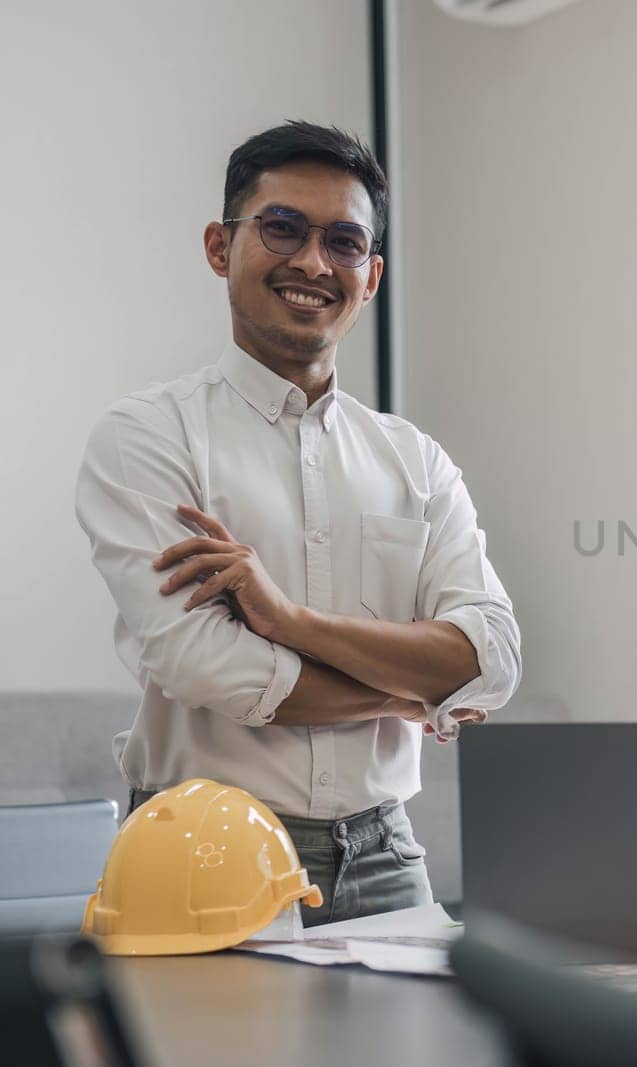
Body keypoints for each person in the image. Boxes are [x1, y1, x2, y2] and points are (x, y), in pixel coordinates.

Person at [75, 121, 522, 925]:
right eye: (282, 227)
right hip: (198, 855)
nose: (314, 262)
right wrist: (416, 695)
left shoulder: (414, 460)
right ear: (221, 246)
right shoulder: (147, 437)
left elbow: (492, 657)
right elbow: (208, 667)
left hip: (387, 855)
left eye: (344, 242)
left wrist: (288, 621)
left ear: (372, 274)